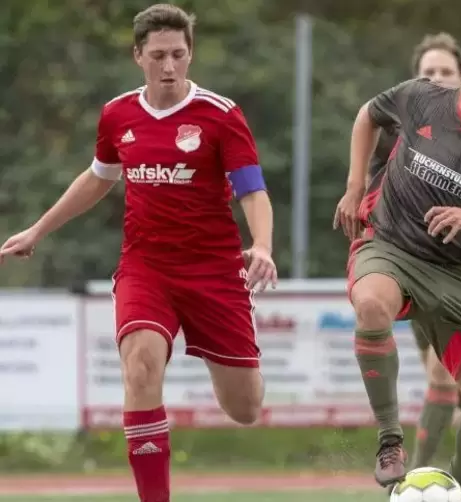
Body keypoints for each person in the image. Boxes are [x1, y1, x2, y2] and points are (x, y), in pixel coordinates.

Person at [0, 4, 276, 502]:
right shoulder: (118, 114)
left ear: (190, 55)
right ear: (138, 56)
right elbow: (97, 179)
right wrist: (38, 229)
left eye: (177, 55)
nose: (168, 67)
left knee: (245, 408)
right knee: (141, 366)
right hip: (146, 267)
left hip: (214, 271)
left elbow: (252, 189)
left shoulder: (221, 114)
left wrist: (261, 245)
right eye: (158, 56)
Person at [334, 32, 461, 502]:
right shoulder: (422, 97)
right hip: (390, 246)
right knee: (370, 305)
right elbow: (369, 114)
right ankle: (390, 441)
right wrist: (353, 186)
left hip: (458, 274)